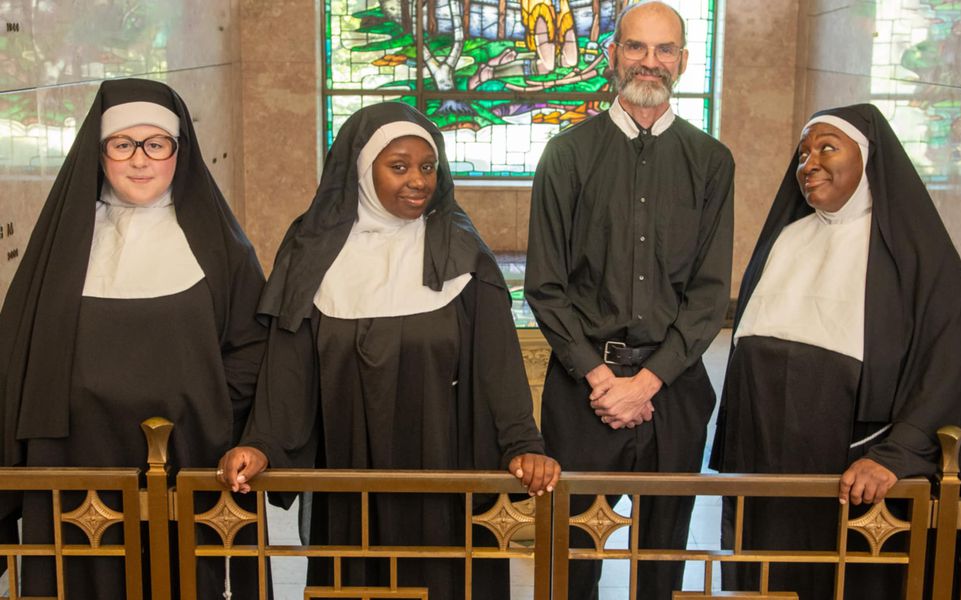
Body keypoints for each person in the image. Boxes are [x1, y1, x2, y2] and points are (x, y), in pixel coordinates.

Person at [217, 101, 561, 598]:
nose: (417, 181)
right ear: (361, 170)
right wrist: (262, 443)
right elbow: (289, 366)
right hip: (347, 464)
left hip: (445, 464)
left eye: (427, 167)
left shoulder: (464, 254)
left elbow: (498, 367)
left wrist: (522, 444)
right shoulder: (311, 253)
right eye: (398, 167)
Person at [0, 79, 267, 597]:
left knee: (178, 579)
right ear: (99, 155)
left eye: (156, 144)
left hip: (186, 453)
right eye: (122, 145)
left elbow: (252, 346)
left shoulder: (220, 246)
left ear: (177, 153)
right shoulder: (63, 244)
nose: (139, 160)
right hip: (74, 452)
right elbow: (19, 351)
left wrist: (208, 409)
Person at [710, 104, 961, 599]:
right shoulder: (786, 239)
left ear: (869, 158)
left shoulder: (913, 257)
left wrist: (895, 456)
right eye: (803, 153)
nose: (809, 163)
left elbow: (947, 368)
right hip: (767, 471)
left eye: (827, 148)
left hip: (857, 477)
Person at [525, 0, 735, 595]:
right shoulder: (566, 155)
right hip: (582, 391)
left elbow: (709, 293)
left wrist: (646, 383)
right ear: (612, 55)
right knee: (574, 557)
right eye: (636, 48)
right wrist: (601, 379)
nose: (650, 62)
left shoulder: (712, 163)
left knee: (662, 557)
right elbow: (545, 285)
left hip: (674, 390)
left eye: (664, 49)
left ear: (684, 61)